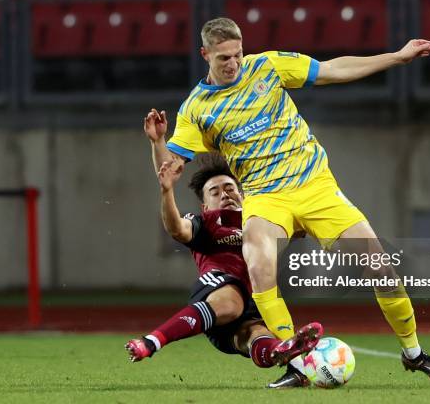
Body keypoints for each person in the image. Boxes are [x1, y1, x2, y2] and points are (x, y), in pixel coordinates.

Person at [144, 17, 430, 386]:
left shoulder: (268, 66)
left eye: (238, 54)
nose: (233, 64)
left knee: (379, 265)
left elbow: (331, 70)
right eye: (224, 58)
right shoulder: (197, 108)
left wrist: (395, 57)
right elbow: (171, 166)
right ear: (205, 55)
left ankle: (414, 354)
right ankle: (297, 364)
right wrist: (156, 142)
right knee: (259, 263)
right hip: (264, 196)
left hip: (315, 188)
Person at [125, 155, 322, 388]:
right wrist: (167, 191)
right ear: (205, 205)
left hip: (252, 305)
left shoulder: (261, 221)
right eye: (215, 192)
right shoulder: (206, 221)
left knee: (255, 336)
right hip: (217, 291)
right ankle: (152, 341)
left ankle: (278, 353)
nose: (225, 194)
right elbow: (177, 229)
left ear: (243, 195)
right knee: (231, 302)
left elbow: (299, 228)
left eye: (230, 188)